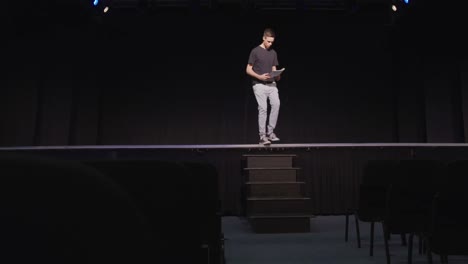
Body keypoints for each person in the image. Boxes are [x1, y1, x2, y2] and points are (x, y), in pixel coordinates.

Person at [246, 28, 282, 145]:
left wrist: (277, 75)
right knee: (263, 109)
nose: (270, 44)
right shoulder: (255, 51)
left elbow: (274, 70)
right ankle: (262, 136)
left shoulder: (273, 53)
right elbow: (248, 69)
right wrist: (259, 77)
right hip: (259, 84)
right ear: (263, 38)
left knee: (276, 104)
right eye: (268, 41)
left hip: (272, 85)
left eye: (272, 42)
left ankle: (270, 133)